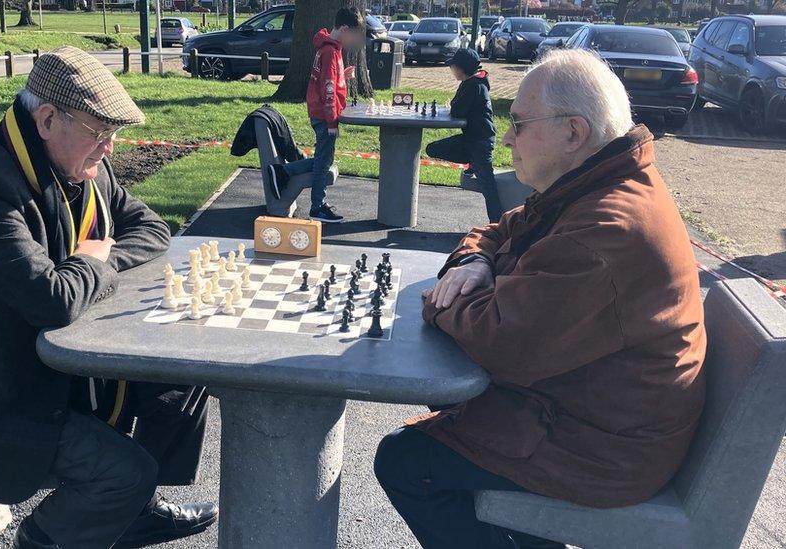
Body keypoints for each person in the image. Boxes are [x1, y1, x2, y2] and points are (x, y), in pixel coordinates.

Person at [373, 49, 706, 549]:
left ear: (574, 132)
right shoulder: (594, 184)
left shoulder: (599, 230)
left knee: (405, 461)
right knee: (447, 410)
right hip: (598, 418)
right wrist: (472, 264)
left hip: (602, 451)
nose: (506, 137)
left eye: (520, 124)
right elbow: (493, 231)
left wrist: (442, 300)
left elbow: (498, 341)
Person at [0, 47, 218, 549]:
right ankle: (45, 537)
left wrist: (96, 262)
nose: (110, 149)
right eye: (100, 133)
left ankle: (135, 512)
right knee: (122, 471)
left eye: (113, 135)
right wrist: (94, 262)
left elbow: (153, 227)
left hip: (49, 366)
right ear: (47, 119)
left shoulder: (83, 166)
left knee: (183, 383)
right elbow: (54, 298)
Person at [264, 7, 365, 223]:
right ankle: (317, 206)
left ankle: (283, 171)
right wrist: (332, 121)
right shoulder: (330, 51)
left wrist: (343, 77)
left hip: (321, 112)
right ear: (344, 28)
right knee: (323, 163)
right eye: (354, 34)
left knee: (323, 159)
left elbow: (328, 81)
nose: (354, 40)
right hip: (325, 115)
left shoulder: (330, 48)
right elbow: (328, 89)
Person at [425, 48, 503, 223]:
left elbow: (457, 110)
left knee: (488, 187)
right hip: (472, 139)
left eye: (453, 67)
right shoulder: (474, 82)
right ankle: (472, 162)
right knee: (433, 149)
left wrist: (455, 104)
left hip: (480, 141)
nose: (452, 71)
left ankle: (498, 225)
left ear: (462, 68)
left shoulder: (473, 85)